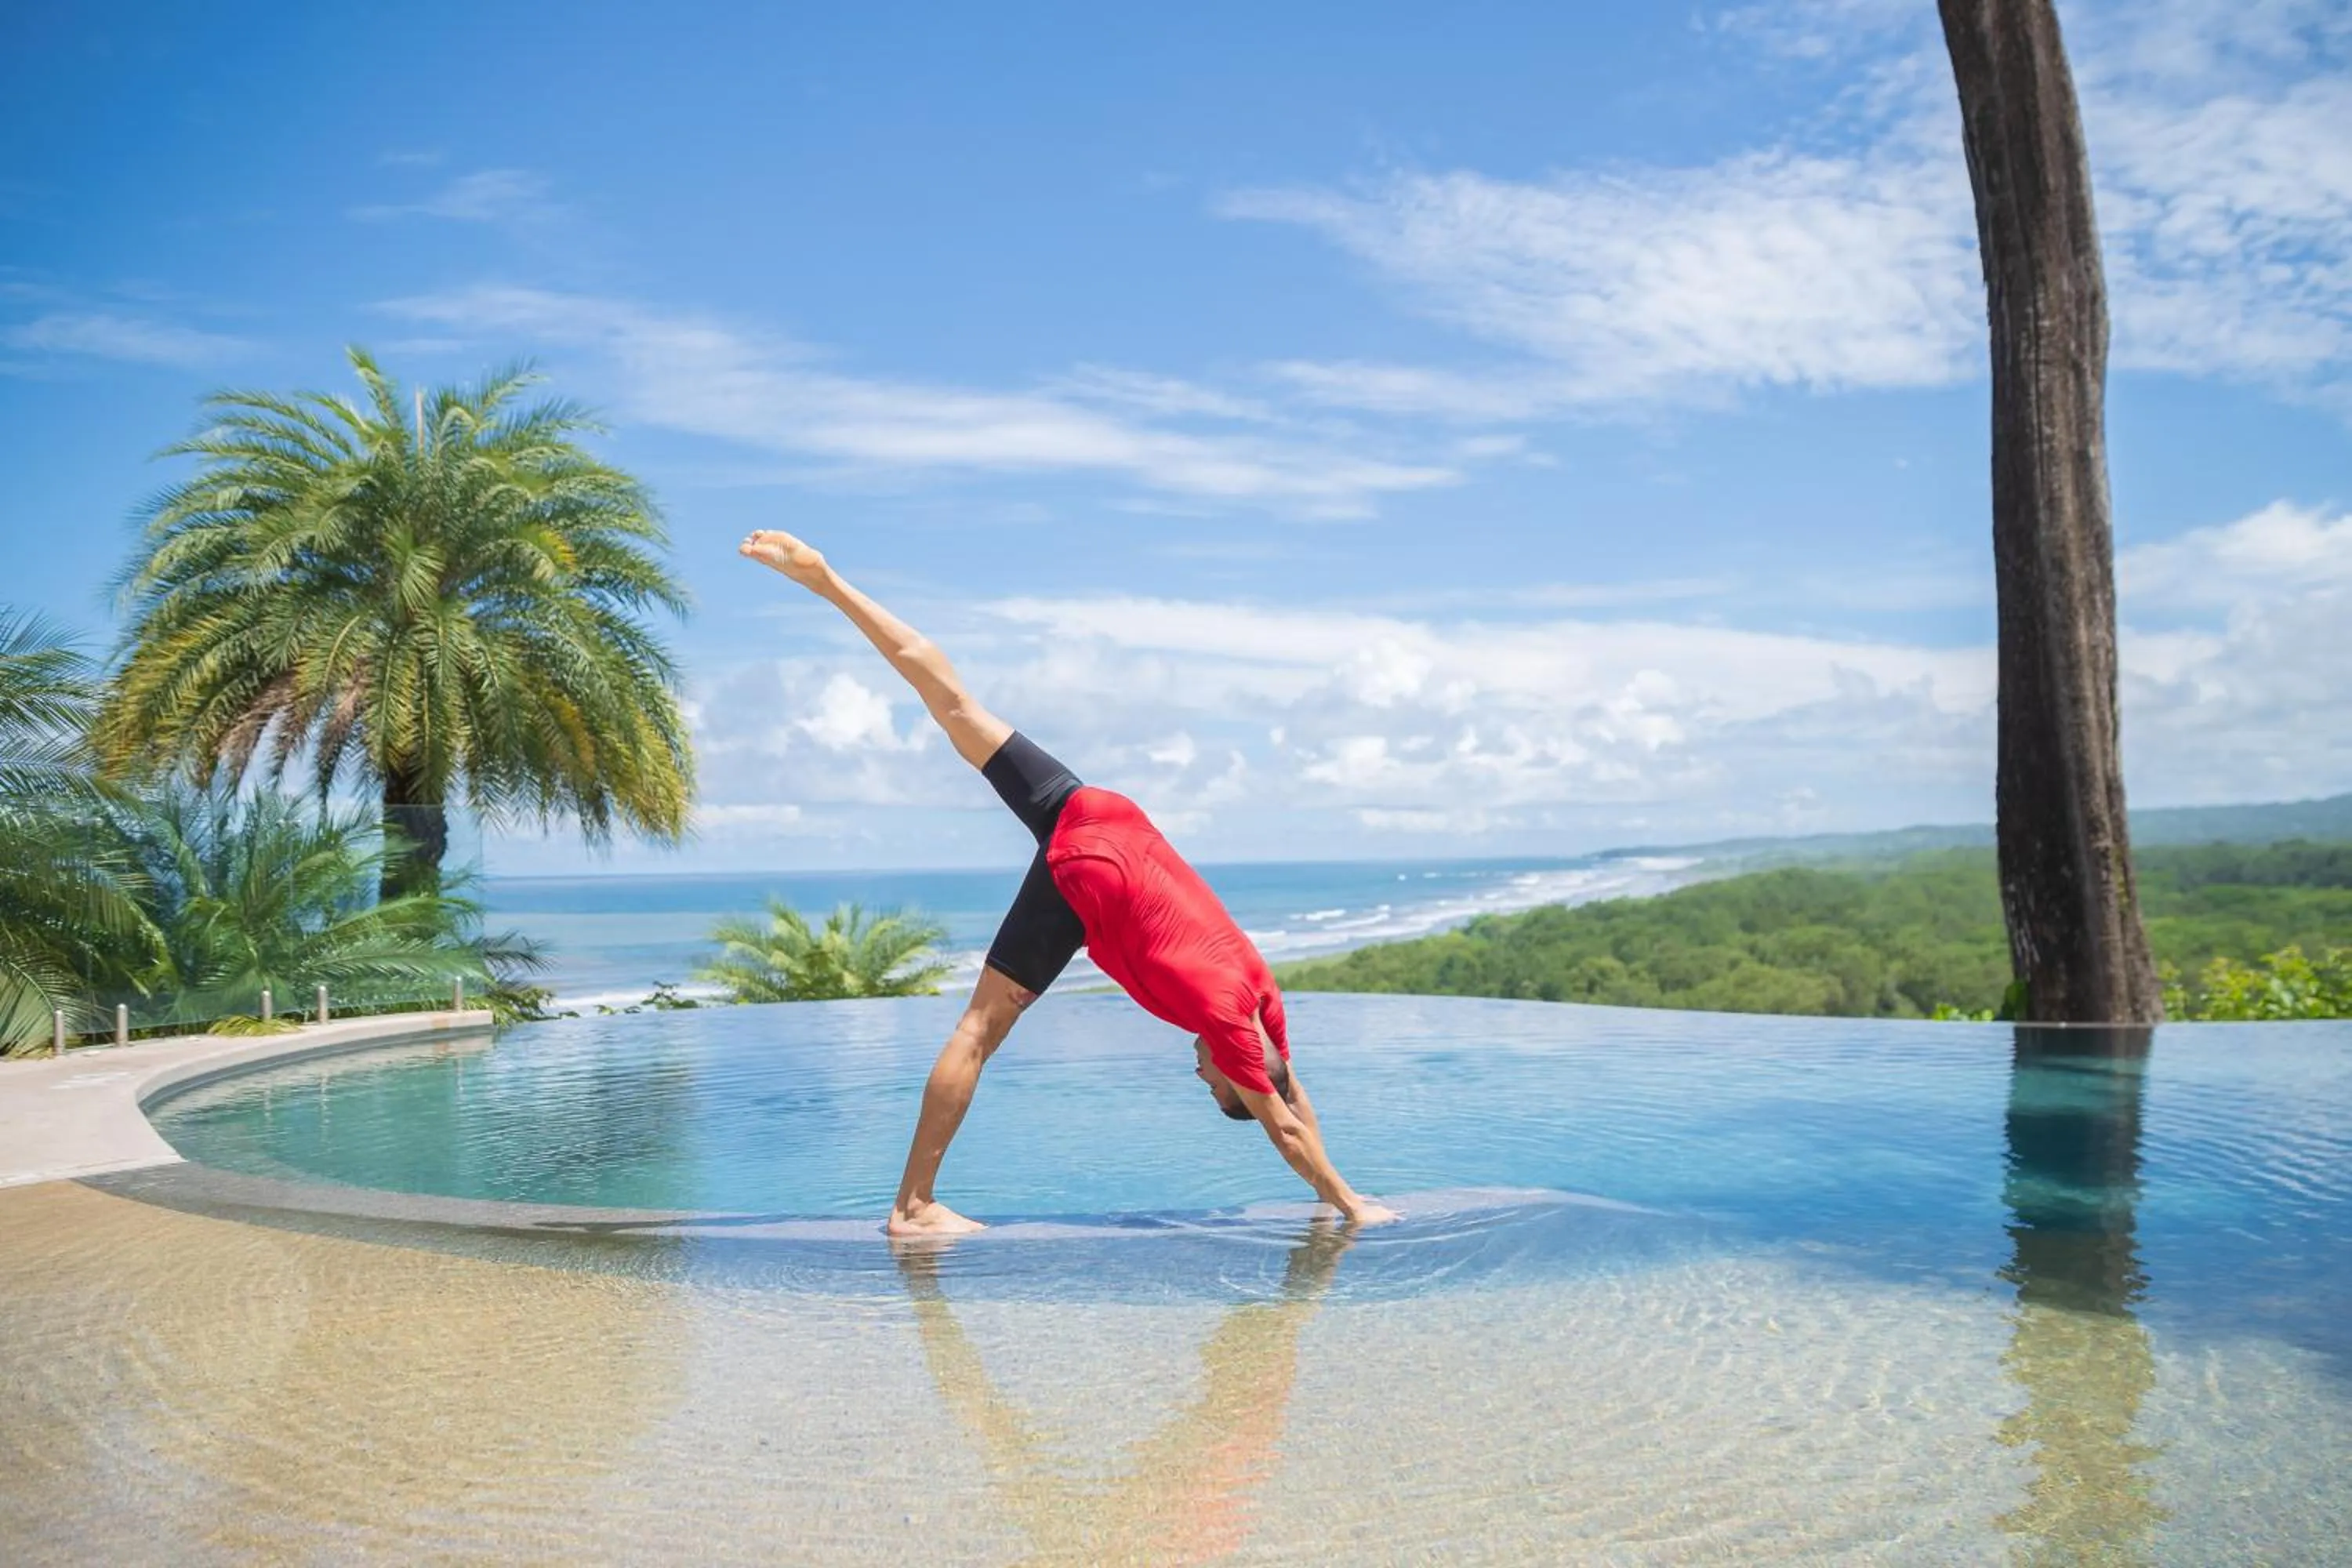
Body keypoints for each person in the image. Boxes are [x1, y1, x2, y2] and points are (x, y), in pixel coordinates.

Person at [739, 529, 1396, 1236]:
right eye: (1217, 1089)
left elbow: (1295, 1098)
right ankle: (913, 1207)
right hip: (1088, 875)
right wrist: (1350, 1204)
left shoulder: (1263, 1000)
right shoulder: (1232, 1030)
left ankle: (827, 580)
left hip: (1100, 810)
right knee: (978, 1030)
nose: (1202, 1078)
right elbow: (1284, 1125)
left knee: (956, 705)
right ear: (1240, 1075)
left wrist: (1323, 1189)